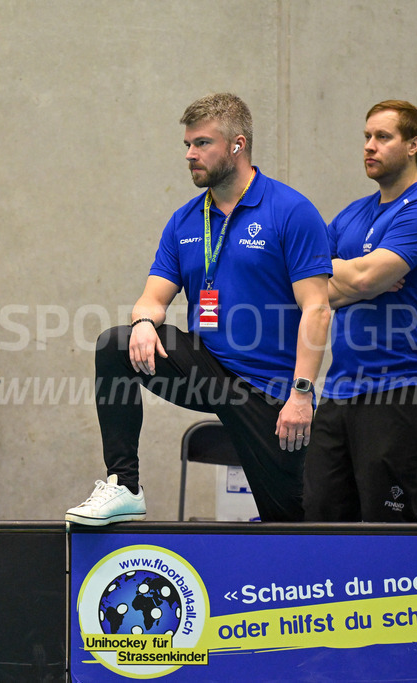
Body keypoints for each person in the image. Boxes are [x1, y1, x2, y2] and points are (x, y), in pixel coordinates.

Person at [65, 93, 332, 525]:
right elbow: (152, 299)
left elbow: (317, 308)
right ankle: (124, 485)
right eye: (188, 144)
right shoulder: (185, 221)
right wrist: (143, 323)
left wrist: (301, 394)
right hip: (207, 368)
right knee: (115, 345)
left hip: (269, 391)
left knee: (292, 525)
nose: (190, 154)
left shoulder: (291, 211)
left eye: (202, 143)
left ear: (237, 145)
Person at [303, 100, 417, 523]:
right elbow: (306, 287)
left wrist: (357, 280)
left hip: (402, 389)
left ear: (413, 145)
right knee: (318, 521)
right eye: (367, 137)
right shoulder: (352, 214)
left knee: (386, 528)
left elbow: (363, 280)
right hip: (340, 392)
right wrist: (359, 279)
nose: (369, 146)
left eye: (382, 137)